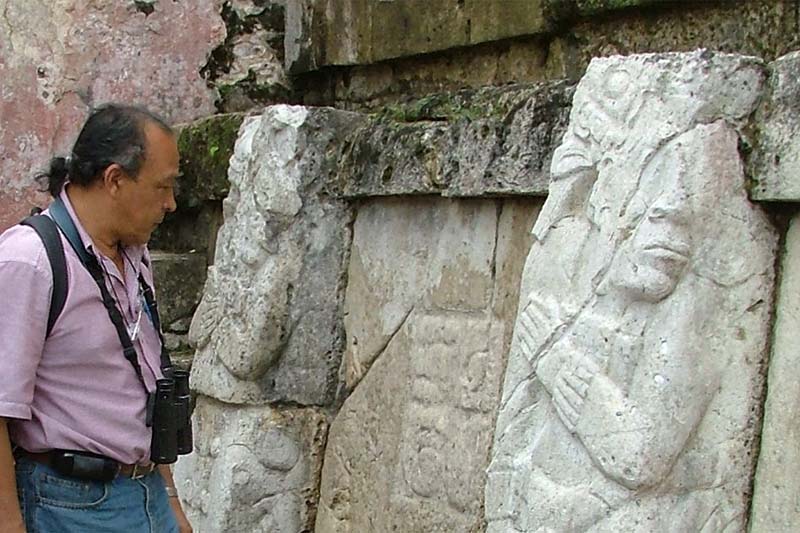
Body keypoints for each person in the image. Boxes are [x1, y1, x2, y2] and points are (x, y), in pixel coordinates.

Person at [0, 104, 193, 532]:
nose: (171, 203)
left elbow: (142, 386)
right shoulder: (29, 262)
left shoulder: (133, 256)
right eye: (162, 187)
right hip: (68, 506)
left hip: (145, 497)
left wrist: (171, 503)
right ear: (115, 179)